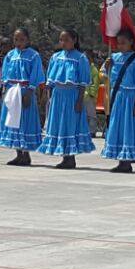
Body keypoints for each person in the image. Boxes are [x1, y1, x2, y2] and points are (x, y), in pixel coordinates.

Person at [37, 29, 94, 169]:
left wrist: (79, 100)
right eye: (61, 40)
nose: (63, 43)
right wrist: (47, 96)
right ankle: (64, 156)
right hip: (58, 96)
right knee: (59, 125)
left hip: (72, 96)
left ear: (74, 40)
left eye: (66, 40)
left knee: (69, 125)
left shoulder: (80, 58)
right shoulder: (55, 57)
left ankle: (70, 157)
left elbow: (83, 83)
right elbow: (50, 80)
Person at [100, 28, 135, 173]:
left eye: (123, 42)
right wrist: (107, 67)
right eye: (118, 43)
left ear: (131, 42)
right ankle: (121, 159)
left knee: (128, 127)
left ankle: (127, 160)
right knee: (118, 127)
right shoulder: (114, 58)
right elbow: (104, 76)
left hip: (130, 99)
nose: (120, 45)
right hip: (117, 98)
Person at [0, 27, 46, 166]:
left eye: (22, 39)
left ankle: (26, 154)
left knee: (24, 120)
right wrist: (5, 88)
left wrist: (30, 91)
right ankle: (18, 153)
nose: (19, 42)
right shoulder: (11, 55)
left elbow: (36, 74)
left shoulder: (33, 55)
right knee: (13, 121)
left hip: (25, 90)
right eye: (16, 39)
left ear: (27, 40)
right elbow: (5, 73)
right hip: (12, 91)